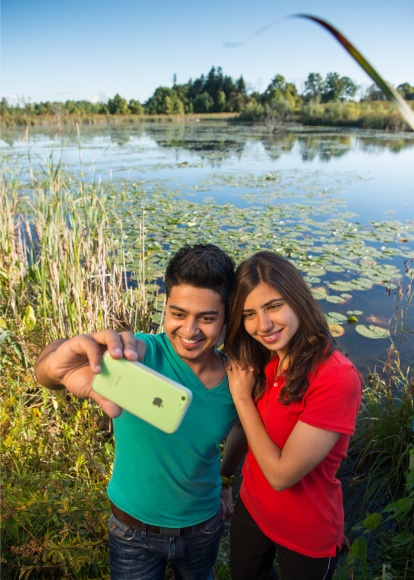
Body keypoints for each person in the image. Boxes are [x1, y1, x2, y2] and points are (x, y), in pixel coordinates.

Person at [35, 243, 243, 580]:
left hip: (203, 529)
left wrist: (225, 479)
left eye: (206, 318)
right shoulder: (138, 354)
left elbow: (241, 429)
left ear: (227, 317)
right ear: (165, 307)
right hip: (132, 533)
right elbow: (47, 371)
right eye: (178, 314)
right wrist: (55, 363)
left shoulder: (238, 381)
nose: (189, 331)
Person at [222, 251, 362, 580]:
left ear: (297, 299)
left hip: (306, 533)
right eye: (249, 314)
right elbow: (248, 429)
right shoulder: (264, 358)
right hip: (253, 509)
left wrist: (242, 397)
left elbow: (282, 476)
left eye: (274, 306)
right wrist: (225, 478)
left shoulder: (335, 377)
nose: (263, 325)